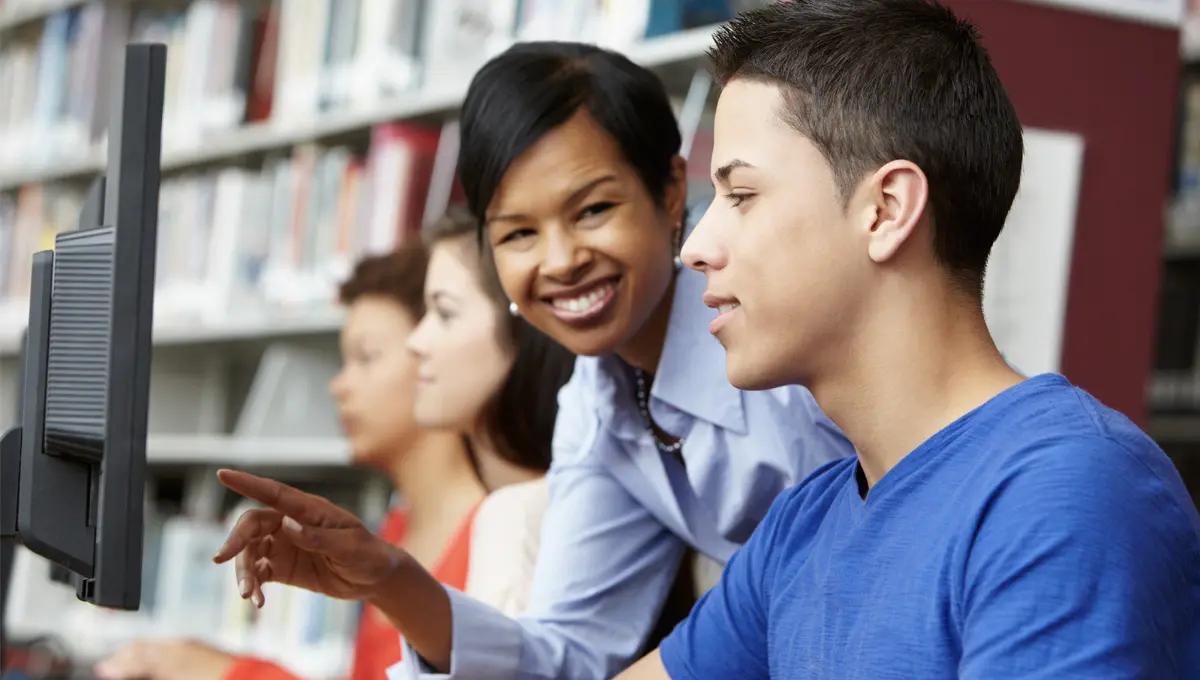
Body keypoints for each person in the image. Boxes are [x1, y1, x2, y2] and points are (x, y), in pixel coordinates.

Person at [210, 39, 855, 680]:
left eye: (594, 210)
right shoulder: (598, 406)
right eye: (519, 232)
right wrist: (391, 578)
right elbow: (565, 656)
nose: (560, 259)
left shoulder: (777, 330)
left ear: (667, 195)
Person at [611, 2, 1200, 678]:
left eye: (741, 195)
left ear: (887, 210)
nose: (698, 248)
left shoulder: (1063, 493)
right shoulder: (803, 526)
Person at [95, 210, 576, 680]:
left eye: (367, 358)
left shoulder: (517, 522)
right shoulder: (396, 525)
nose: (338, 386)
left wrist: (234, 673)